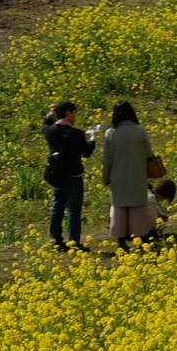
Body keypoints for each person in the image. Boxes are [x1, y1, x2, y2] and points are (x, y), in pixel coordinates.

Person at [101, 100, 159, 251]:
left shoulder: (110, 133)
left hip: (117, 176)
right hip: (137, 174)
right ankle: (141, 236)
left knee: (119, 206)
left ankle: (121, 239)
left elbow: (106, 159)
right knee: (138, 205)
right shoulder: (139, 130)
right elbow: (148, 154)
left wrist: (105, 177)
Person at [41, 100, 97, 251]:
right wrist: (93, 137)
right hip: (73, 178)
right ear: (68, 113)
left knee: (57, 209)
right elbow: (87, 152)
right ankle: (74, 242)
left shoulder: (50, 131)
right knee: (73, 211)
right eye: (74, 113)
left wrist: (50, 114)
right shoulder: (75, 133)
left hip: (56, 176)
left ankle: (56, 241)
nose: (75, 116)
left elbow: (44, 125)